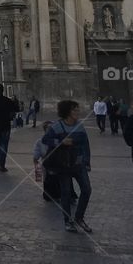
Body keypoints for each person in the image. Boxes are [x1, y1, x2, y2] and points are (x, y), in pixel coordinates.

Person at [43, 100, 93, 233]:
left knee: (87, 189)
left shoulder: (80, 126)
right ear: (67, 112)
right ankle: (68, 221)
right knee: (65, 193)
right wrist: (60, 141)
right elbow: (45, 139)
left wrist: (87, 161)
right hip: (63, 164)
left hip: (78, 163)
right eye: (74, 110)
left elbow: (85, 144)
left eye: (77, 109)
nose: (78, 112)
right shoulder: (57, 126)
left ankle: (79, 217)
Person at [32, 121, 77, 204]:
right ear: (45, 130)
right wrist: (37, 168)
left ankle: (70, 196)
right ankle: (53, 195)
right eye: (48, 129)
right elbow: (36, 157)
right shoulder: (40, 142)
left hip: (61, 164)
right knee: (51, 173)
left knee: (65, 174)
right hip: (48, 165)